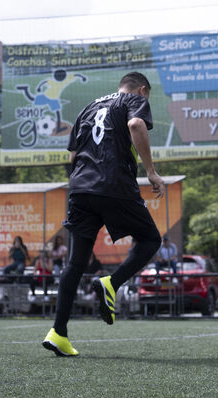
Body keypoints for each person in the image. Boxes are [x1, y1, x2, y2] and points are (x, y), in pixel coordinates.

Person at [42, 72, 164, 357]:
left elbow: (72, 156)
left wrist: (82, 183)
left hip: (81, 187)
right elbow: (135, 124)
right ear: (143, 90)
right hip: (113, 184)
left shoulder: (89, 107)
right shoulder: (133, 99)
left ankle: (58, 333)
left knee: (76, 263)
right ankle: (112, 282)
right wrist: (150, 171)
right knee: (149, 239)